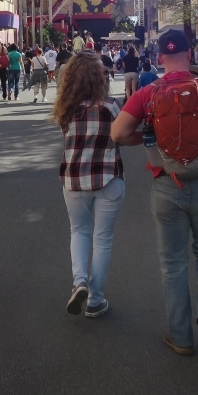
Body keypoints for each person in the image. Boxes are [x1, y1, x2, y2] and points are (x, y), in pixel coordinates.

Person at [112, 29, 198, 356]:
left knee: (173, 262)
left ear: (160, 58)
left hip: (166, 185)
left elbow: (119, 133)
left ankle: (180, 336)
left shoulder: (148, 93)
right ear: (191, 55)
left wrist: (151, 141)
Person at [53, 51, 125, 319]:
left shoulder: (66, 108)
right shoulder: (111, 106)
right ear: (98, 77)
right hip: (109, 177)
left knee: (79, 231)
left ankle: (79, 282)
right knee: (102, 239)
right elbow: (121, 136)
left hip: (73, 179)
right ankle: (95, 299)